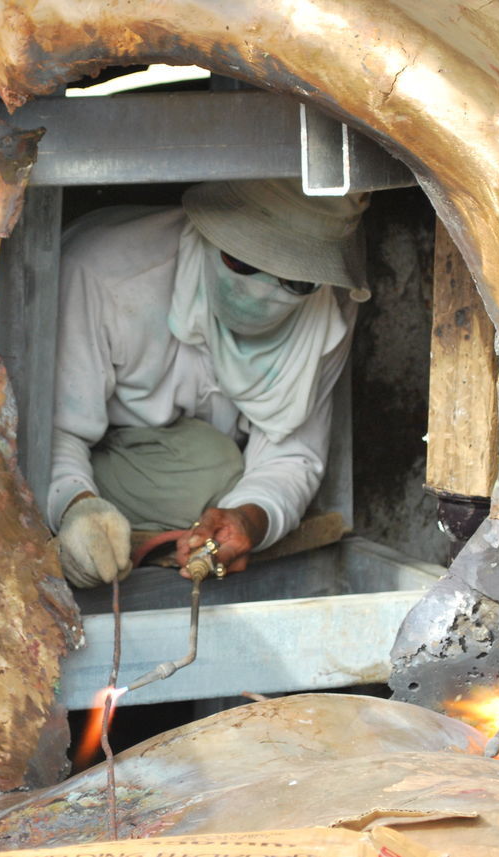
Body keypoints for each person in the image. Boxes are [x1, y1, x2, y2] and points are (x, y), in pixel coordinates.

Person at [47, 178, 370, 588]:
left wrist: (248, 519)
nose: (260, 290)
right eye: (242, 261)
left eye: (296, 281)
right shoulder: (101, 272)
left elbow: (293, 455)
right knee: (210, 469)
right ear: (210, 232)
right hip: (107, 452)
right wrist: (77, 508)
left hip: (207, 467)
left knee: (214, 466)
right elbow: (50, 437)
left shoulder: (328, 307)